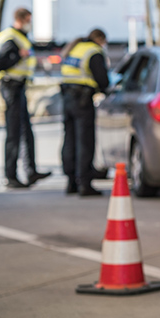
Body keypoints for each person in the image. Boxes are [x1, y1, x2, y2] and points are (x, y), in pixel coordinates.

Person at [0, 7, 51, 189]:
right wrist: (19, 55)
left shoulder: (19, 36)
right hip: (11, 87)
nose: (30, 23)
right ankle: (11, 176)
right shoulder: (10, 38)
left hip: (19, 86)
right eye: (28, 20)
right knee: (14, 132)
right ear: (22, 19)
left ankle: (30, 171)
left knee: (26, 131)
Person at [59, 28, 110, 196]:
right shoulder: (94, 51)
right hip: (82, 100)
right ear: (100, 39)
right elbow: (103, 80)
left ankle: (71, 182)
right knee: (85, 141)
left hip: (67, 98)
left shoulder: (76, 48)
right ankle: (85, 183)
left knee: (70, 140)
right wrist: (105, 90)